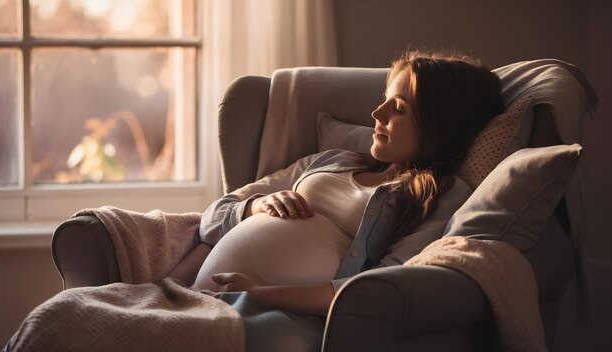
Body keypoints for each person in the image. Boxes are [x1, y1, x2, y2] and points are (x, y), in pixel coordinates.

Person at [164, 50, 505, 350]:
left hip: (276, 314)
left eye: (397, 108)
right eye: (384, 98)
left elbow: (386, 282)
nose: (377, 113)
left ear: (439, 126)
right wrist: (257, 205)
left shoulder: (437, 195)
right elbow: (214, 215)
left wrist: (261, 291)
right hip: (192, 295)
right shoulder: (330, 161)